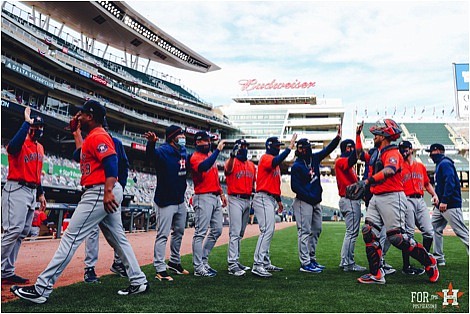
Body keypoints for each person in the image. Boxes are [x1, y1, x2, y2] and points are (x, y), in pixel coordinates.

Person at [11, 100, 148, 304]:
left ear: (90, 116)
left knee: (70, 238)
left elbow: (111, 161)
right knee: (118, 238)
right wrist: (76, 133)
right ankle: (139, 280)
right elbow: (79, 154)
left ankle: (42, 288)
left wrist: (108, 191)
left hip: (100, 191)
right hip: (102, 190)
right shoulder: (92, 136)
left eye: (82, 114)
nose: (78, 116)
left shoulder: (100, 135)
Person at [352, 118, 438, 285]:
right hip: (377, 196)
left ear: (384, 135)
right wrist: (357, 135)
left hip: (392, 196)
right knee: (369, 232)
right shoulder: (379, 152)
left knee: (397, 238)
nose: (375, 135)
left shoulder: (392, 153)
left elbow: (389, 171)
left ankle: (429, 262)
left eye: (377, 133)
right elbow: (360, 155)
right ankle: (376, 274)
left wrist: (367, 182)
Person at [2, 107, 47, 285]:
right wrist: (26, 122)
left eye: (41, 127)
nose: (39, 130)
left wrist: (41, 194)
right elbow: (12, 148)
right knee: (13, 230)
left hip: (31, 191)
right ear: (29, 127)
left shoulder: (40, 147)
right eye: (36, 126)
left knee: (22, 232)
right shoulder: (20, 143)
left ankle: (6, 271)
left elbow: (36, 173)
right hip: (16, 189)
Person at [83, 117, 130, 283]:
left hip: (109, 190)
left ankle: (119, 263)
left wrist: (120, 187)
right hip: (95, 189)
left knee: (117, 231)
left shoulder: (113, 141)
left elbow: (123, 165)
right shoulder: (92, 140)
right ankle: (90, 268)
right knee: (93, 230)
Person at [291, 128, 340, 274]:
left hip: (315, 201)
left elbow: (327, 150)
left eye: (308, 147)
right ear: (301, 150)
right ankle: (305, 263)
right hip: (303, 202)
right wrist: (309, 196)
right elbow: (295, 187)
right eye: (306, 148)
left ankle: (311, 258)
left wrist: (337, 139)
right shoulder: (297, 166)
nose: (308, 150)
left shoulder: (314, 159)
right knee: (304, 232)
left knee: (317, 229)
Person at [145, 125, 190, 281]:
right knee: (163, 234)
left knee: (179, 231)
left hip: (179, 198)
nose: (184, 136)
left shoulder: (183, 151)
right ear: (172, 137)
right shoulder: (164, 150)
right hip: (165, 200)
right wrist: (151, 143)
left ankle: (174, 261)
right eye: (181, 134)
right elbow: (150, 156)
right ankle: (159, 268)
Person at [251, 134, 297, 277]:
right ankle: (257, 265)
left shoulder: (275, 163)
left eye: (280, 147)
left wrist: (278, 200)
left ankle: (264, 262)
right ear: (270, 146)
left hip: (270, 198)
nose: (278, 148)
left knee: (269, 231)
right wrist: (289, 148)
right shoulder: (266, 158)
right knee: (267, 231)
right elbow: (276, 160)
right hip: (263, 197)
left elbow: (273, 183)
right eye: (277, 146)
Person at [189, 131, 227, 277]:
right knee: (200, 233)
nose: (208, 143)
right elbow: (203, 167)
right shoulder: (195, 157)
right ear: (198, 142)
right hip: (202, 196)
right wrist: (217, 151)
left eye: (209, 141)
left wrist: (221, 193)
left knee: (217, 230)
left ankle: (203, 260)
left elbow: (215, 178)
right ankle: (198, 267)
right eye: (206, 141)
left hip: (214, 196)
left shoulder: (210, 155)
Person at [398, 140, 439, 275]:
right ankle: (406, 266)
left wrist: (434, 195)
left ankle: (424, 260)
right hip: (407, 199)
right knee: (408, 234)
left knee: (429, 231)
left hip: (420, 200)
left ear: (411, 149)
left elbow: (427, 184)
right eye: (401, 148)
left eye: (405, 148)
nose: (403, 150)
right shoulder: (399, 166)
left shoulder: (420, 166)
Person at [426, 143, 469, 266]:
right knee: (434, 228)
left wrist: (444, 200)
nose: (430, 154)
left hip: (450, 204)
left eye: (432, 152)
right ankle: (438, 257)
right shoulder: (441, 164)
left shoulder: (444, 163)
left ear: (438, 151)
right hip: (441, 205)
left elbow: (450, 182)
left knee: (462, 232)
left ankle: (439, 257)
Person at [335, 124, 366, 272]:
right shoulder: (341, 161)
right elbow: (355, 157)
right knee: (352, 233)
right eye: (351, 148)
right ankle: (347, 263)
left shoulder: (344, 163)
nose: (353, 150)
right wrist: (357, 135)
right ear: (347, 148)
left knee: (351, 232)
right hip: (349, 200)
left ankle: (345, 262)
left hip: (350, 200)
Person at [224, 139, 256, 276]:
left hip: (247, 199)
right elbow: (227, 170)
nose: (244, 148)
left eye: (246, 146)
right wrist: (232, 155)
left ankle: (236, 260)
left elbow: (253, 184)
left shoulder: (251, 165)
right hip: (235, 199)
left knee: (241, 233)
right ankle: (232, 263)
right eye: (242, 146)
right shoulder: (232, 161)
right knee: (235, 232)